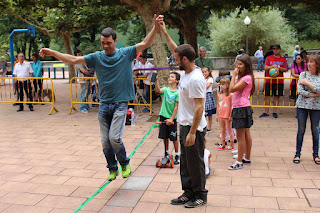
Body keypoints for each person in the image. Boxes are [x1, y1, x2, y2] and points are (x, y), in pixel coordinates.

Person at [40, 14, 163, 181]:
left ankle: (124, 163)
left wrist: (155, 27)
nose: (105, 46)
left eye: (109, 43)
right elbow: (74, 59)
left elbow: (145, 43)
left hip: (120, 104)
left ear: (115, 41)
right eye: (103, 43)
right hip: (104, 104)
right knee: (105, 142)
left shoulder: (125, 53)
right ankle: (112, 168)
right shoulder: (97, 57)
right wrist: (52, 52)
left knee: (114, 138)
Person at [160, 19, 208, 208]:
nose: (174, 61)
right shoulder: (186, 71)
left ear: (185, 60)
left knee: (196, 164)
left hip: (193, 127)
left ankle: (200, 195)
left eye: (177, 59)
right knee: (186, 164)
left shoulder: (196, 79)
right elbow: (176, 49)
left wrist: (193, 132)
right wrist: (164, 32)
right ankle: (188, 192)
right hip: (185, 124)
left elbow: (199, 107)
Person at [228, 54, 255, 170]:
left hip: (241, 108)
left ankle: (239, 161)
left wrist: (233, 75)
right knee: (245, 133)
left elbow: (231, 89)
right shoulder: (246, 77)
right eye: (237, 64)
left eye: (240, 64)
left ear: (246, 65)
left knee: (241, 136)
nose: (237, 66)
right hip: (242, 107)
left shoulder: (247, 78)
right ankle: (246, 158)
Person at [293, 54, 320, 165]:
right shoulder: (302, 74)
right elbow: (300, 91)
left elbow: (319, 89)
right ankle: (297, 153)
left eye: (312, 62)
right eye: (308, 62)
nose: (309, 64)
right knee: (301, 129)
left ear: (317, 64)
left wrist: (307, 83)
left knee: (315, 130)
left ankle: (316, 154)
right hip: (302, 106)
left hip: (316, 107)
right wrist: (313, 94)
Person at [155, 71, 180, 165]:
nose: (169, 78)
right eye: (169, 76)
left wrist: (171, 119)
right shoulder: (165, 89)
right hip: (163, 116)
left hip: (172, 118)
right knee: (164, 136)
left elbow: (176, 107)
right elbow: (158, 90)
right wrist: (156, 82)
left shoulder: (178, 93)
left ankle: (177, 154)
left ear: (177, 80)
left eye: (172, 77)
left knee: (173, 138)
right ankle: (166, 152)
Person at [260, 44, 288, 118]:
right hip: (269, 80)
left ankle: (275, 111)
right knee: (267, 96)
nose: (275, 50)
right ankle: (266, 112)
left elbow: (285, 69)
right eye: (274, 49)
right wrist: (272, 67)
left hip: (279, 81)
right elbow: (265, 67)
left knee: (276, 96)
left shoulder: (283, 59)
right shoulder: (269, 58)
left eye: (277, 49)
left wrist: (278, 67)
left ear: (280, 50)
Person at [216, 78, 235, 151]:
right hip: (221, 115)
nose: (221, 86)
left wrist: (230, 115)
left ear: (228, 85)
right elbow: (219, 104)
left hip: (227, 115)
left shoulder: (230, 95)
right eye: (221, 84)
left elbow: (231, 106)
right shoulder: (219, 94)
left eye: (223, 84)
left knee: (230, 130)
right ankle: (223, 144)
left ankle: (231, 145)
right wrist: (217, 115)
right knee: (222, 130)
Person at [202, 66, 216, 133]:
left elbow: (206, 87)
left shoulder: (210, 79)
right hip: (203, 96)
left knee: (209, 113)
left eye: (205, 72)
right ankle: (204, 126)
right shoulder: (201, 79)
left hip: (208, 96)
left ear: (209, 72)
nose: (204, 73)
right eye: (203, 72)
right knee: (203, 113)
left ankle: (209, 127)